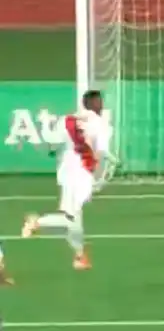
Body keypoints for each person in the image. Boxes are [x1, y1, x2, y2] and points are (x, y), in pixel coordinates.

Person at [21, 90, 114, 270]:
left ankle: (79, 257)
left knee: (74, 216)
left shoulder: (68, 119)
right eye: (99, 102)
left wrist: (47, 129)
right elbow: (101, 152)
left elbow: (52, 143)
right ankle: (37, 222)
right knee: (71, 217)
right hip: (82, 173)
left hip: (66, 172)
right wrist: (103, 174)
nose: (101, 106)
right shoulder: (101, 125)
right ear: (94, 104)